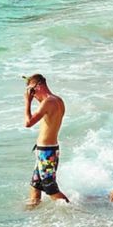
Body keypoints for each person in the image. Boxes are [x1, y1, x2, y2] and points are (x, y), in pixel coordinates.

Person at [24, 73, 70, 206]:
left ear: (38, 87)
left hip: (47, 153)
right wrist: (34, 96)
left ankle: (72, 211)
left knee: (50, 189)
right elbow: (45, 111)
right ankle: (32, 214)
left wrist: (27, 101)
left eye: (32, 92)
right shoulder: (57, 100)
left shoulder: (48, 102)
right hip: (47, 150)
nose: (32, 95)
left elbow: (28, 123)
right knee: (36, 185)